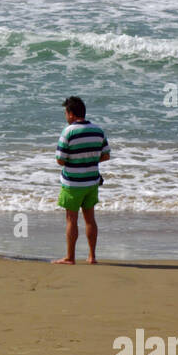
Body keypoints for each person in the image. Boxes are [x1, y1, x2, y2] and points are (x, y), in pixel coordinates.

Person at [53, 96, 110, 265]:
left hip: (73, 183)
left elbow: (60, 160)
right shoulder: (98, 130)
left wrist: (76, 160)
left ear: (71, 114)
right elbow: (105, 155)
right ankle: (92, 256)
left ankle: (70, 257)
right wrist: (89, 160)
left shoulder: (68, 131)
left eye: (66, 112)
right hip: (92, 181)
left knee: (71, 219)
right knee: (90, 219)